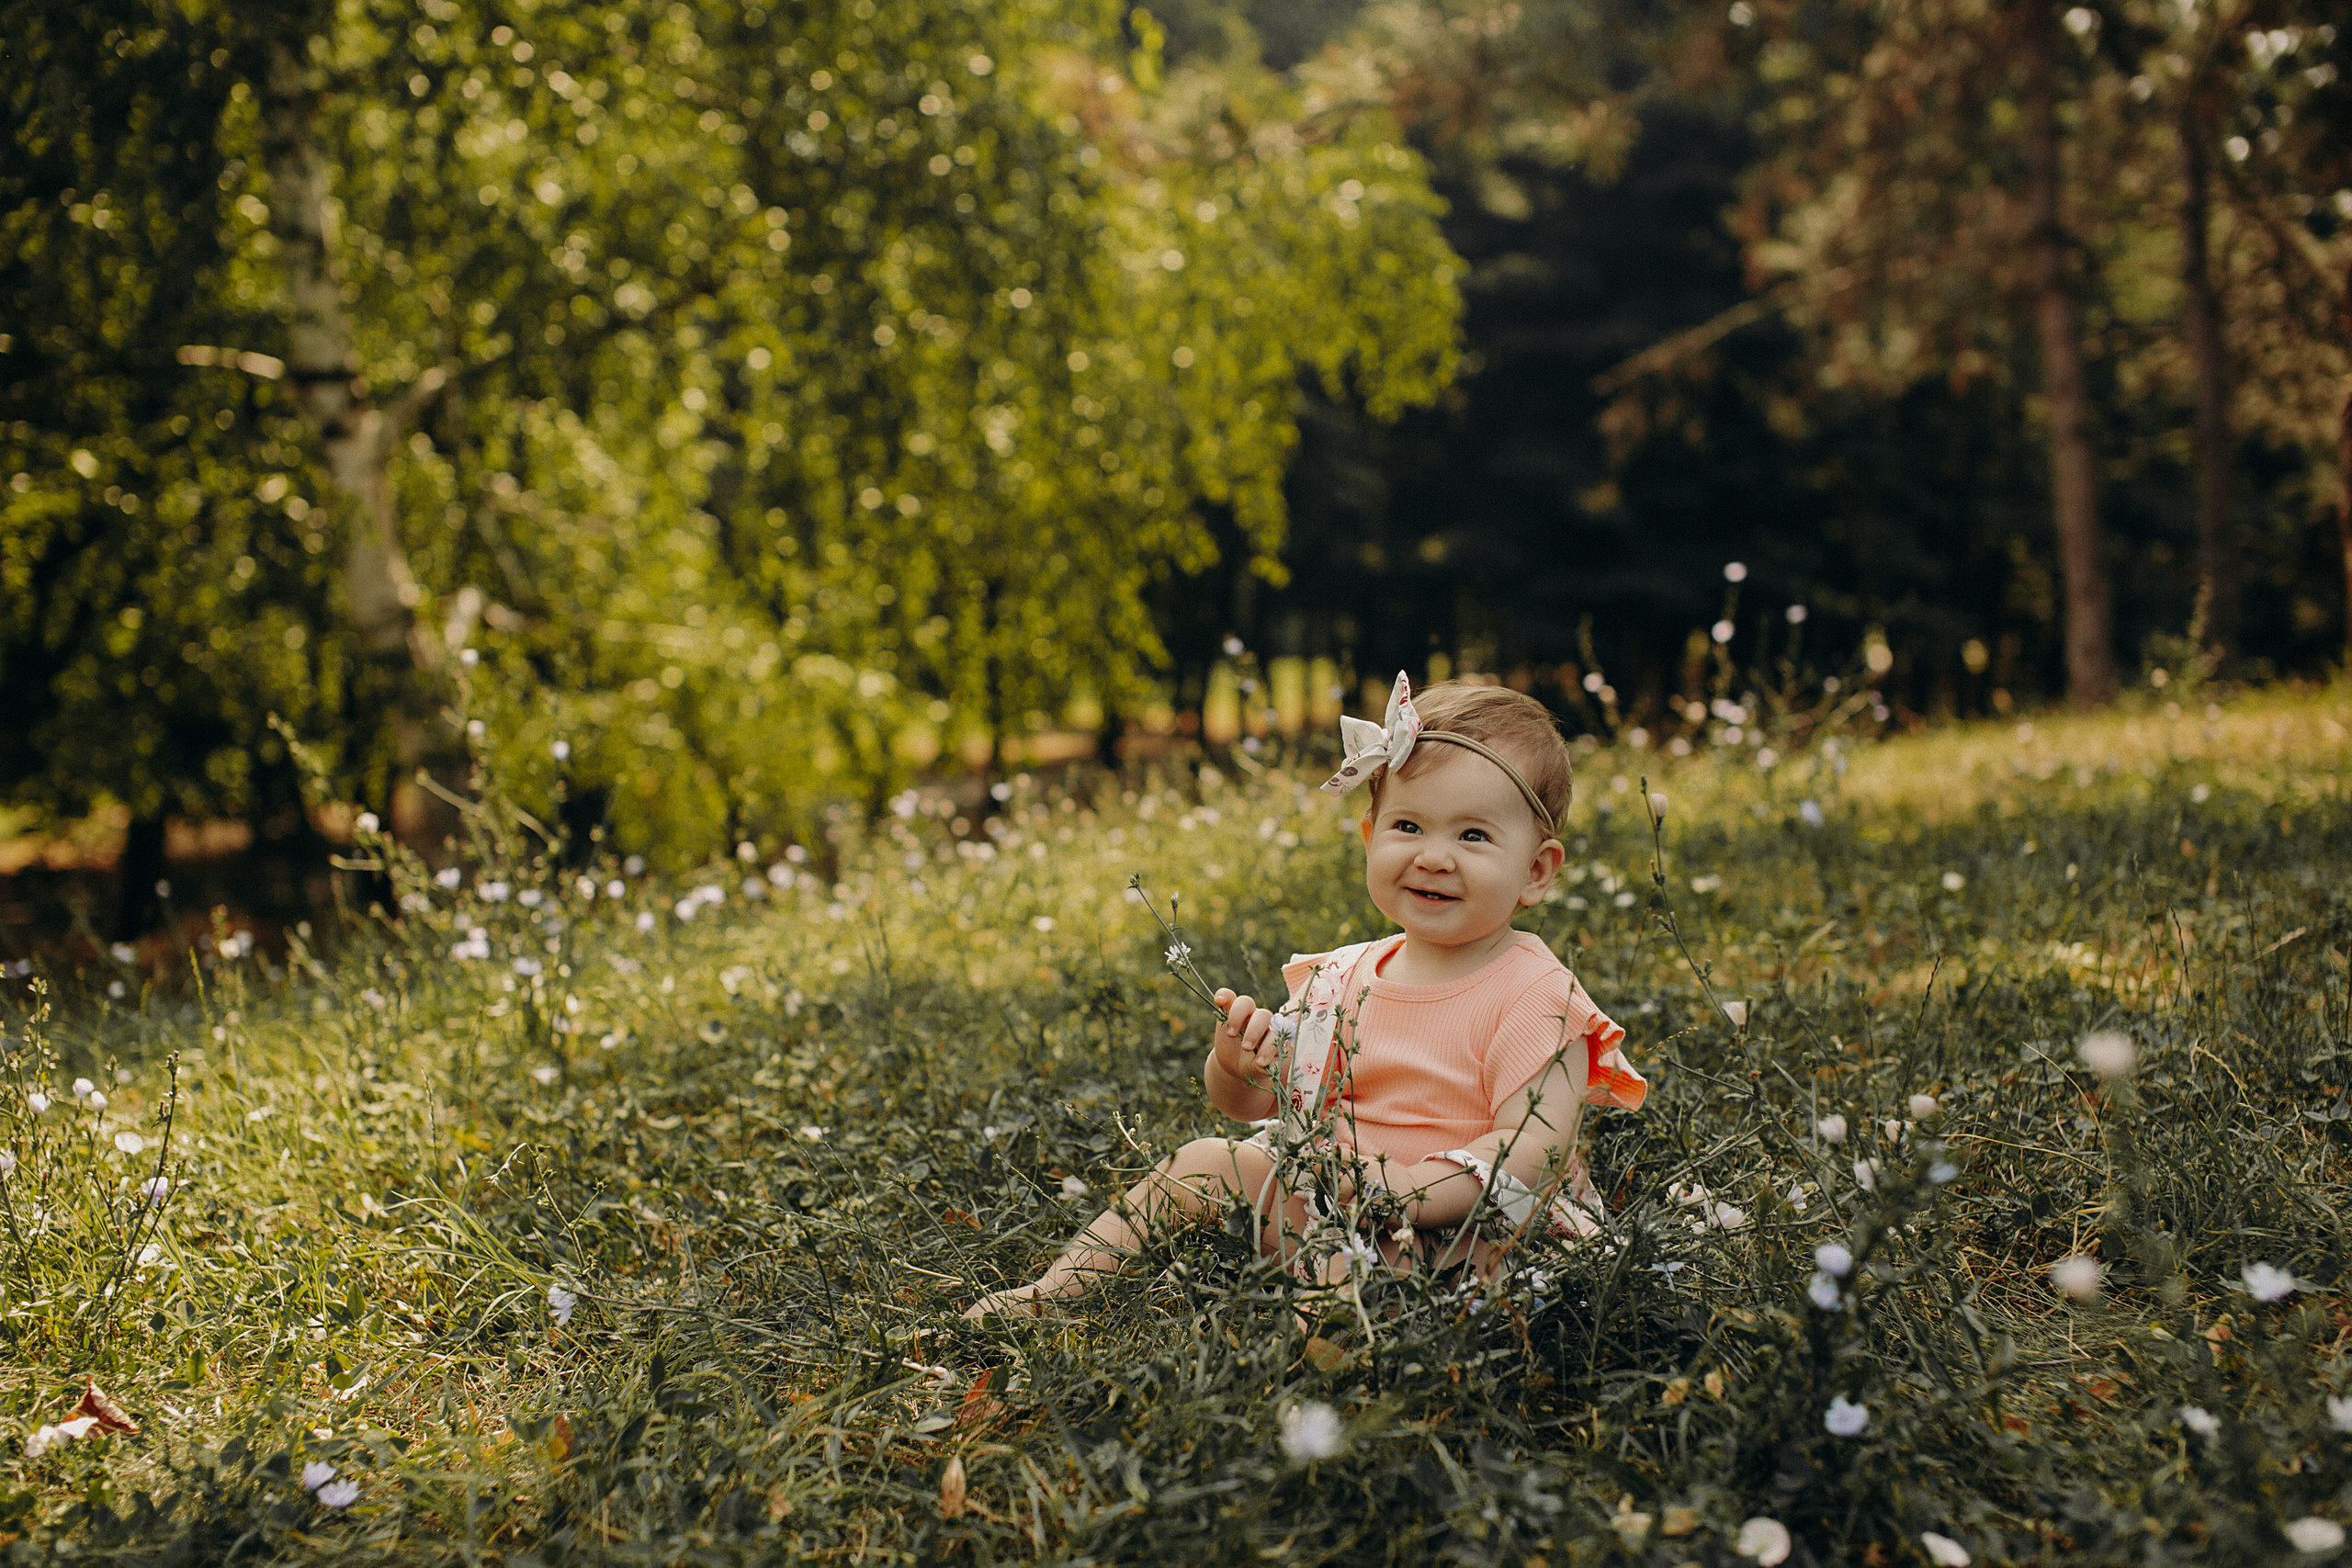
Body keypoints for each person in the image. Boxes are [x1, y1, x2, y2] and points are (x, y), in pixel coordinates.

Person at [964, 674, 1645, 1321]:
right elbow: (1257, 1106)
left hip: (1468, 1235)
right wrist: (1237, 1066)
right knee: (1201, 1162)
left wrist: (1405, 1191)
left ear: (1536, 871)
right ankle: (1053, 1293)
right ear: (1369, 837)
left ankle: (1324, 1371)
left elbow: (1532, 1155)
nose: (1435, 856)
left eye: (1473, 835)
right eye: (1408, 827)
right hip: (1331, 1204)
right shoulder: (1342, 977)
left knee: (1344, 1279)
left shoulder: (1536, 994)